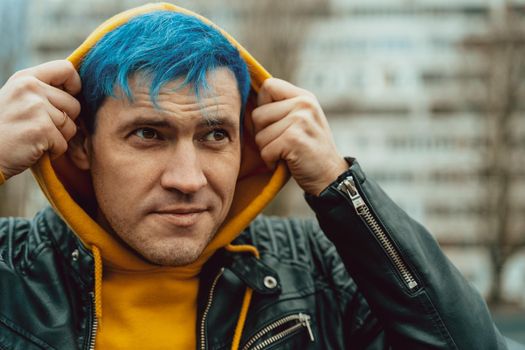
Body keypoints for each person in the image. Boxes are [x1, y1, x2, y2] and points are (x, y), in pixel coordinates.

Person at [0, 3, 515, 350]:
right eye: (149, 135)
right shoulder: (13, 271)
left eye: (214, 136)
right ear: (82, 145)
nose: (188, 178)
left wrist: (340, 187)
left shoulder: (316, 272)